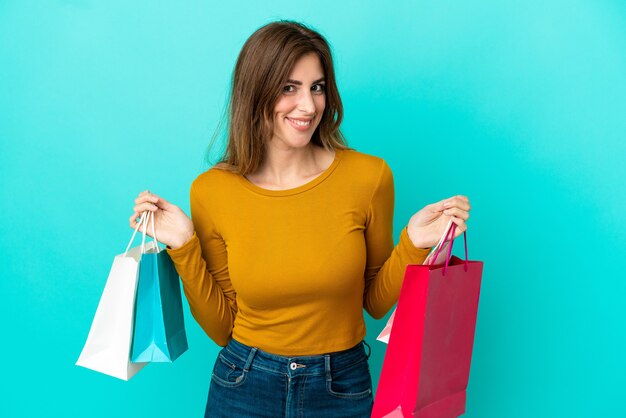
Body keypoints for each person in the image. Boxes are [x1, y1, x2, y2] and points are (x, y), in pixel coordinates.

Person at [130, 20, 470, 418]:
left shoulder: (369, 177)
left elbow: (374, 303)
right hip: (243, 384)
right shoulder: (212, 190)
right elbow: (223, 328)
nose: (308, 106)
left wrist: (413, 243)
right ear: (256, 92)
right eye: (289, 88)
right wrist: (184, 246)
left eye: (317, 87)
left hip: (341, 384)